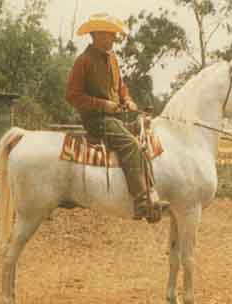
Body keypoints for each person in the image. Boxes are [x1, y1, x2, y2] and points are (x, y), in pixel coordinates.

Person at [66, 13, 169, 221]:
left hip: (115, 118)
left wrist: (128, 100)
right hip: (96, 120)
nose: (113, 39)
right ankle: (141, 202)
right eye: (108, 35)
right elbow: (72, 96)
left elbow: (121, 88)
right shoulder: (83, 61)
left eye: (113, 36)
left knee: (144, 137)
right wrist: (103, 105)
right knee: (131, 144)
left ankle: (151, 191)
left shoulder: (112, 59)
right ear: (95, 35)